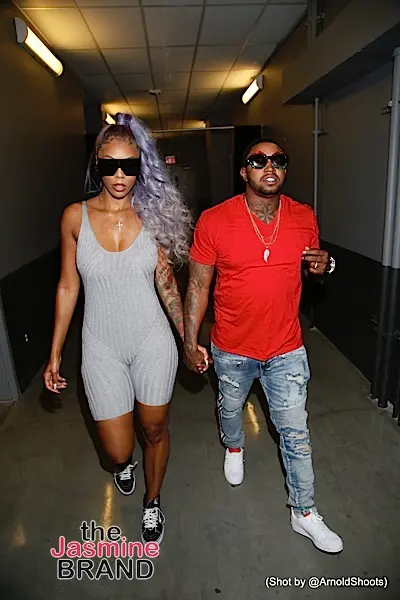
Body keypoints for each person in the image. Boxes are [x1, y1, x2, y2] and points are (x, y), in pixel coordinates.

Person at [43, 113, 205, 545]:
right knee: (117, 450)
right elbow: (67, 285)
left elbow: (167, 285)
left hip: (151, 339)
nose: (119, 176)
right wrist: (55, 352)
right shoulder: (74, 217)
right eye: (110, 165)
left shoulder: (153, 217)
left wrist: (188, 340)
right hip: (100, 345)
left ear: (141, 166)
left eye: (129, 166)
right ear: (97, 164)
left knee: (154, 428)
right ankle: (126, 465)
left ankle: (153, 500)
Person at [183, 138, 342, 554]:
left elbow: (314, 266)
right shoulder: (215, 220)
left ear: (285, 169)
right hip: (232, 347)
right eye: (258, 160)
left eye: (278, 160)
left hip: (286, 348)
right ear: (244, 171)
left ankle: (304, 512)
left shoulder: (303, 216)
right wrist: (189, 340)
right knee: (230, 409)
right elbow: (198, 285)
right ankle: (234, 445)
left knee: (295, 432)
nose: (269, 166)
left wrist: (326, 265)